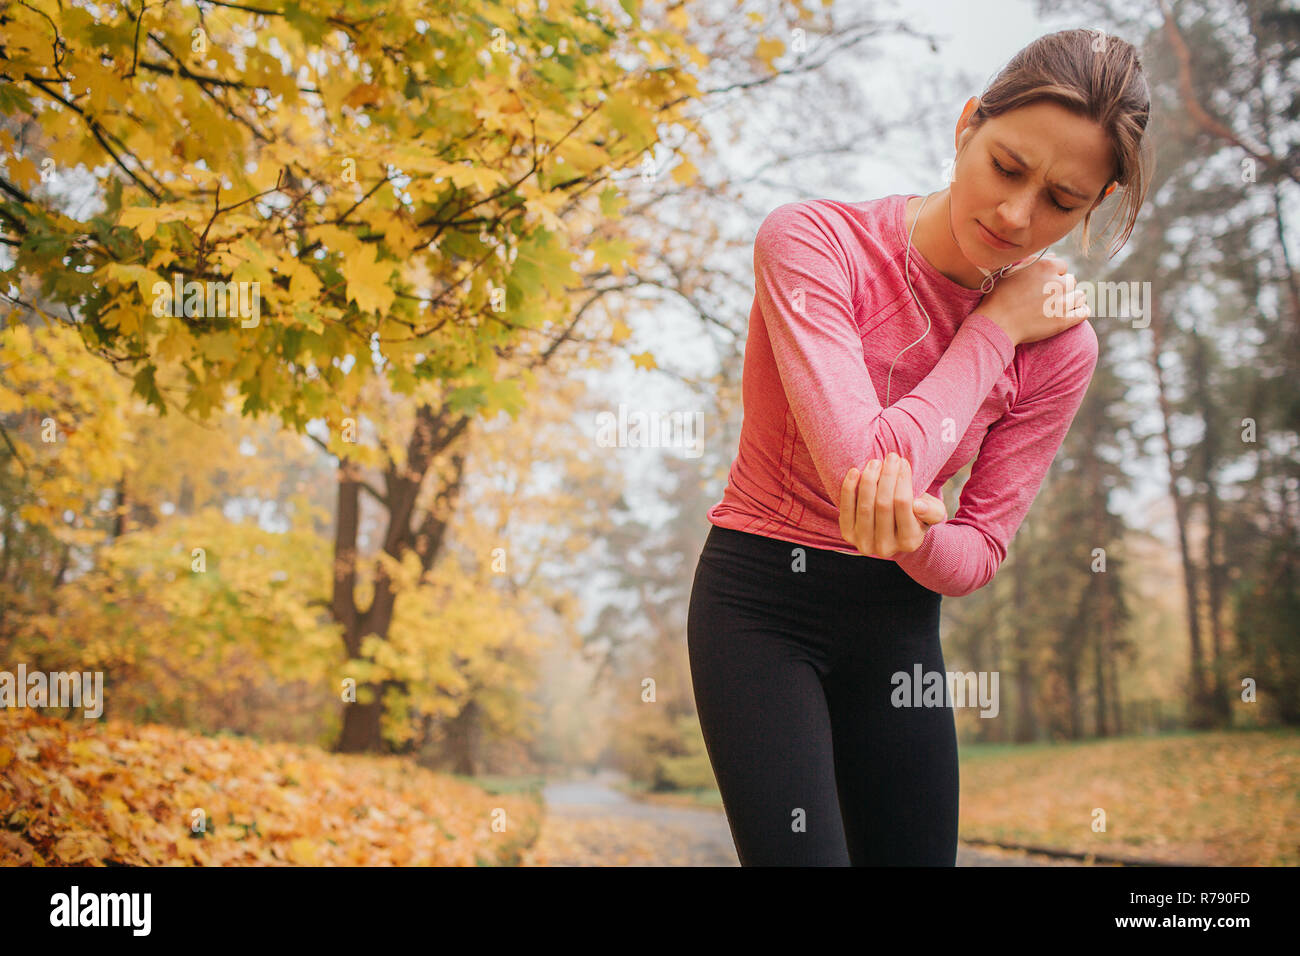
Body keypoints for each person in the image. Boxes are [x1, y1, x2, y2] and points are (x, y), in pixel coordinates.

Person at [686, 28, 1153, 866]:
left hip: (899, 628)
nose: (1017, 216)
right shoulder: (813, 245)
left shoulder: (1064, 352)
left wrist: (912, 532)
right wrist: (995, 329)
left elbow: (978, 553)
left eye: (1061, 200)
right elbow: (862, 464)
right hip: (758, 608)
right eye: (1007, 167)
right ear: (967, 124)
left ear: (1095, 206)